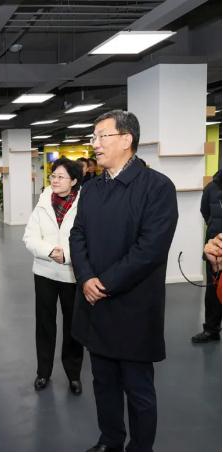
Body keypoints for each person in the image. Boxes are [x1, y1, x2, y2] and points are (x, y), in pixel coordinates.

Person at [70, 110, 178, 452]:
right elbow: (77, 235)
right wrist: (86, 277)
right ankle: (111, 440)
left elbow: (150, 249)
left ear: (127, 139)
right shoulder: (91, 189)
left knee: (138, 390)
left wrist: (102, 283)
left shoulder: (157, 187)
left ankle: (141, 447)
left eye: (102, 136)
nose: (95, 144)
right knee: (103, 382)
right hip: (95, 307)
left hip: (133, 308)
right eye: (94, 137)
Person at [23, 157, 84, 395]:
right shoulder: (43, 201)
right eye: (53, 176)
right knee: (44, 324)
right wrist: (50, 251)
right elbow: (29, 236)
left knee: (73, 326)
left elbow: (88, 238)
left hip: (72, 274)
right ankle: (43, 372)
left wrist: (66, 255)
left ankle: (73, 374)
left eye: (61, 177)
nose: (55, 180)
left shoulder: (84, 204)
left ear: (74, 181)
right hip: (45, 272)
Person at [192, 169, 222, 343]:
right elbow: (205, 212)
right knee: (213, 292)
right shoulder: (211, 188)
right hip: (215, 250)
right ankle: (211, 330)